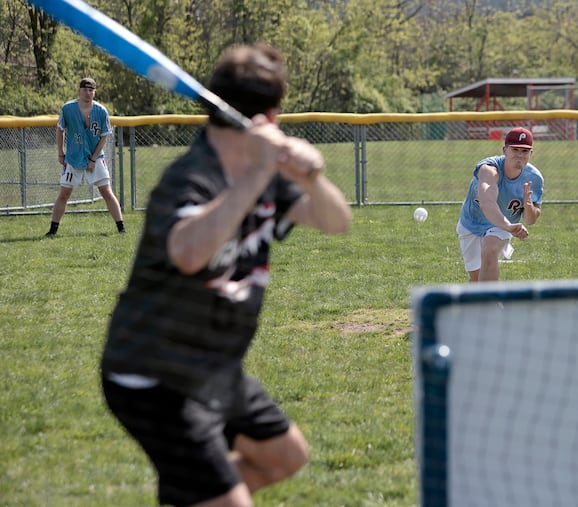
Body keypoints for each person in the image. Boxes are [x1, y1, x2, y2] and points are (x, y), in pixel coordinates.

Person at [100, 43, 352, 507]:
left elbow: (338, 221)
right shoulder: (191, 178)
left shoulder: (264, 173)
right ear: (271, 116)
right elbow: (190, 253)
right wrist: (258, 174)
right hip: (155, 375)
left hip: (213, 368)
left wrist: (311, 177)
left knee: (285, 457)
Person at [456, 126, 544, 282]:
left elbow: (530, 220)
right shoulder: (488, 169)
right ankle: (481, 303)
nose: (520, 155)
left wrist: (528, 205)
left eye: (525, 151)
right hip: (471, 222)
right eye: (515, 149)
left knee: (489, 251)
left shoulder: (534, 178)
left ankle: (490, 304)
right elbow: (487, 203)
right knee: (475, 280)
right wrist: (508, 226)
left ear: (531, 153)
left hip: (500, 225)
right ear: (505, 150)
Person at [46, 77, 125, 236]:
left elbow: (104, 136)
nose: (88, 93)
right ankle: (52, 230)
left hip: (95, 157)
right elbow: (60, 129)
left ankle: (121, 227)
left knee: (106, 191)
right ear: (79, 90)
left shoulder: (101, 111)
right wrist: (60, 152)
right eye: (85, 89)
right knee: (64, 194)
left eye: (91, 90)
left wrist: (93, 159)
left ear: (94, 92)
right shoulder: (68, 108)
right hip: (74, 158)